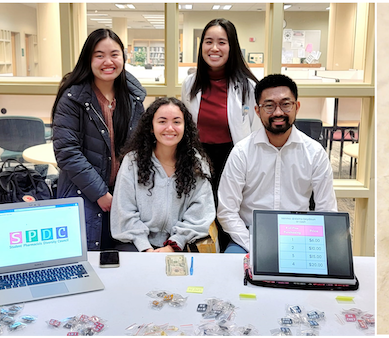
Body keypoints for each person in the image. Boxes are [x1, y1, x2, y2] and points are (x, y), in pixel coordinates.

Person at [217, 74, 338, 253]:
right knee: (231, 274)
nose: (278, 112)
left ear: (296, 107)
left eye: (285, 104)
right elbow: (226, 211)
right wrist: (253, 246)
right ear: (258, 111)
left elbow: (327, 210)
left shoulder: (314, 153)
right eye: (269, 106)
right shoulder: (242, 152)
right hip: (250, 236)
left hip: (299, 236)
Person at [51, 28, 146, 251]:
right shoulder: (72, 98)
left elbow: (139, 147)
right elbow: (67, 153)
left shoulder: (132, 97)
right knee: (88, 258)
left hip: (122, 194)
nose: (108, 61)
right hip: (83, 193)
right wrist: (101, 193)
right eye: (99, 55)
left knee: (125, 261)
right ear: (88, 59)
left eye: (114, 54)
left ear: (123, 57)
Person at [110, 98, 215, 252]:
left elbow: (200, 212)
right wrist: (145, 248)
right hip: (135, 244)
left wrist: (173, 245)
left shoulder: (197, 163)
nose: (170, 128)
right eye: (162, 121)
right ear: (151, 127)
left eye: (177, 122)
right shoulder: (133, 161)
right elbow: (124, 210)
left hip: (181, 243)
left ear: (185, 127)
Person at [181, 18, 259, 194]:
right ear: (201, 46)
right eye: (209, 42)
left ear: (232, 47)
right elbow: (185, 127)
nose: (214, 48)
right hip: (198, 160)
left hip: (233, 160)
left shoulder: (249, 87)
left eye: (221, 42)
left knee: (228, 212)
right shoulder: (190, 84)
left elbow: (256, 133)